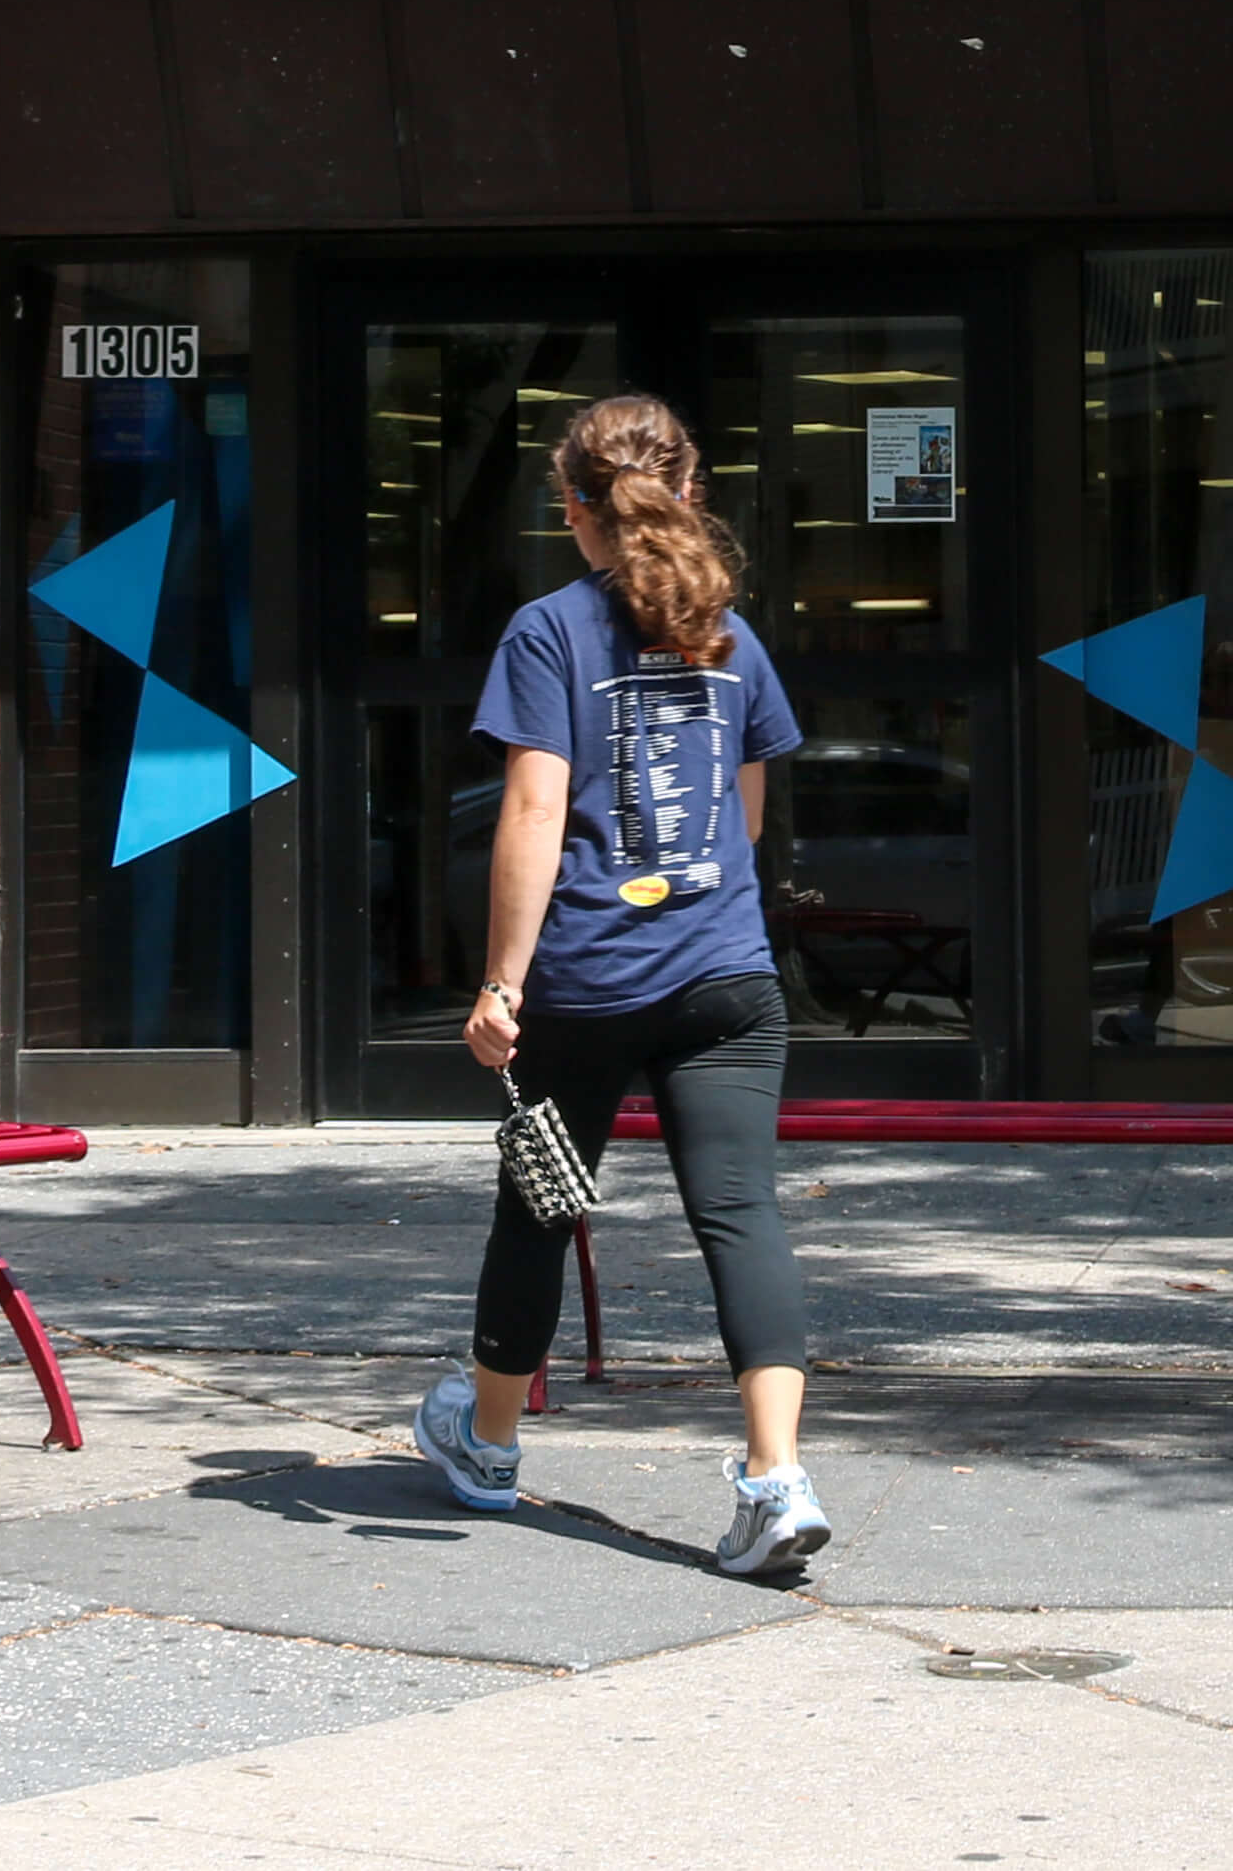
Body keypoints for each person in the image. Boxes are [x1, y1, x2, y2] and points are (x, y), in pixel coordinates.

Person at [411, 392, 832, 1579]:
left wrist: (501, 983)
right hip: (725, 978)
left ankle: (488, 1445)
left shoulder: (548, 632)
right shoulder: (730, 637)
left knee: (539, 1204)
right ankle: (773, 1479)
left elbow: (534, 814)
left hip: (589, 981)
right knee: (740, 1215)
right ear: (688, 489)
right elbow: (745, 822)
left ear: (571, 509)